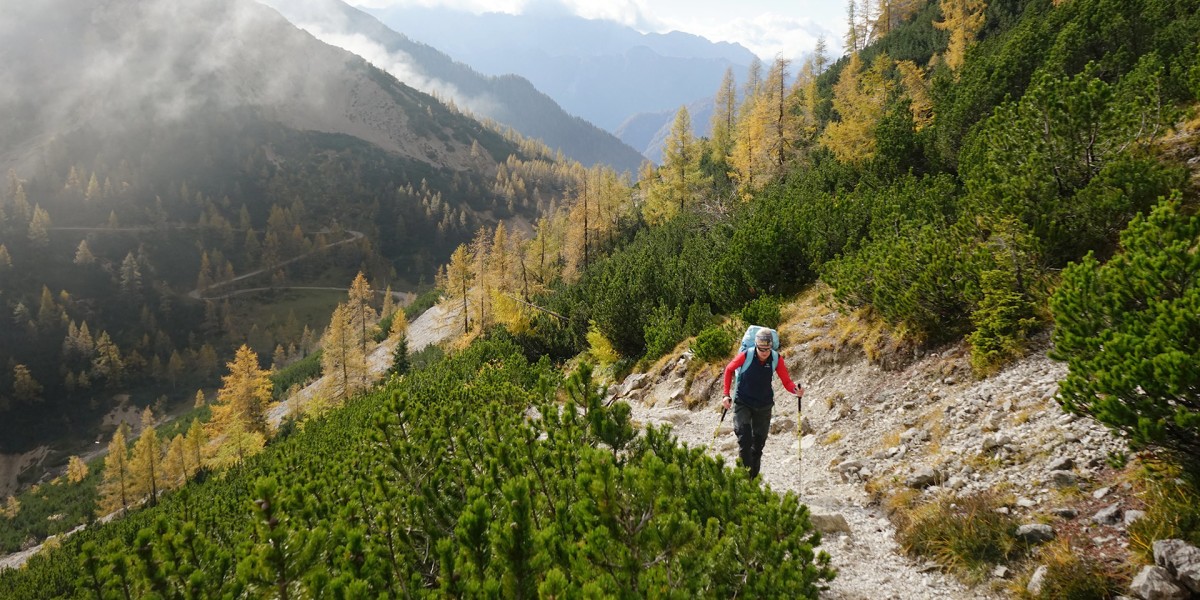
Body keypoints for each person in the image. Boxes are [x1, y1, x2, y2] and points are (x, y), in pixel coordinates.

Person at [722, 327, 803, 478]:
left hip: (764, 406)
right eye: (761, 349)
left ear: (771, 347)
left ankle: (752, 481)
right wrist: (726, 394)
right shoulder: (746, 355)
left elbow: (786, 381)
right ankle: (743, 480)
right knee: (744, 440)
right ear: (756, 346)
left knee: (758, 446)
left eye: (767, 349)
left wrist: (795, 390)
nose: (764, 352)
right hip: (743, 402)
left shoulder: (776, 358)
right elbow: (729, 369)